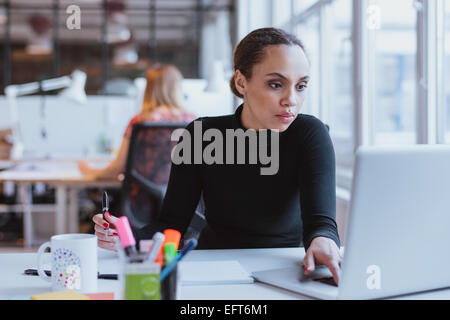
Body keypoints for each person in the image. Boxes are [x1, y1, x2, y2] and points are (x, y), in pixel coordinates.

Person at [93, 28, 343, 285]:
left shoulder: (309, 133)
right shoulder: (201, 135)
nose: (291, 99)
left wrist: (323, 241)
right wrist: (124, 236)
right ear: (241, 82)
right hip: (215, 266)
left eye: (301, 86)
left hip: (285, 265)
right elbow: (172, 225)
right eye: (276, 84)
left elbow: (321, 223)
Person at [77, 64, 197, 180]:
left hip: (143, 198)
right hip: (184, 199)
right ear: (177, 88)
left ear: (149, 89)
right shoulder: (194, 121)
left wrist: (88, 170)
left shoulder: (141, 120)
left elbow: (116, 169)